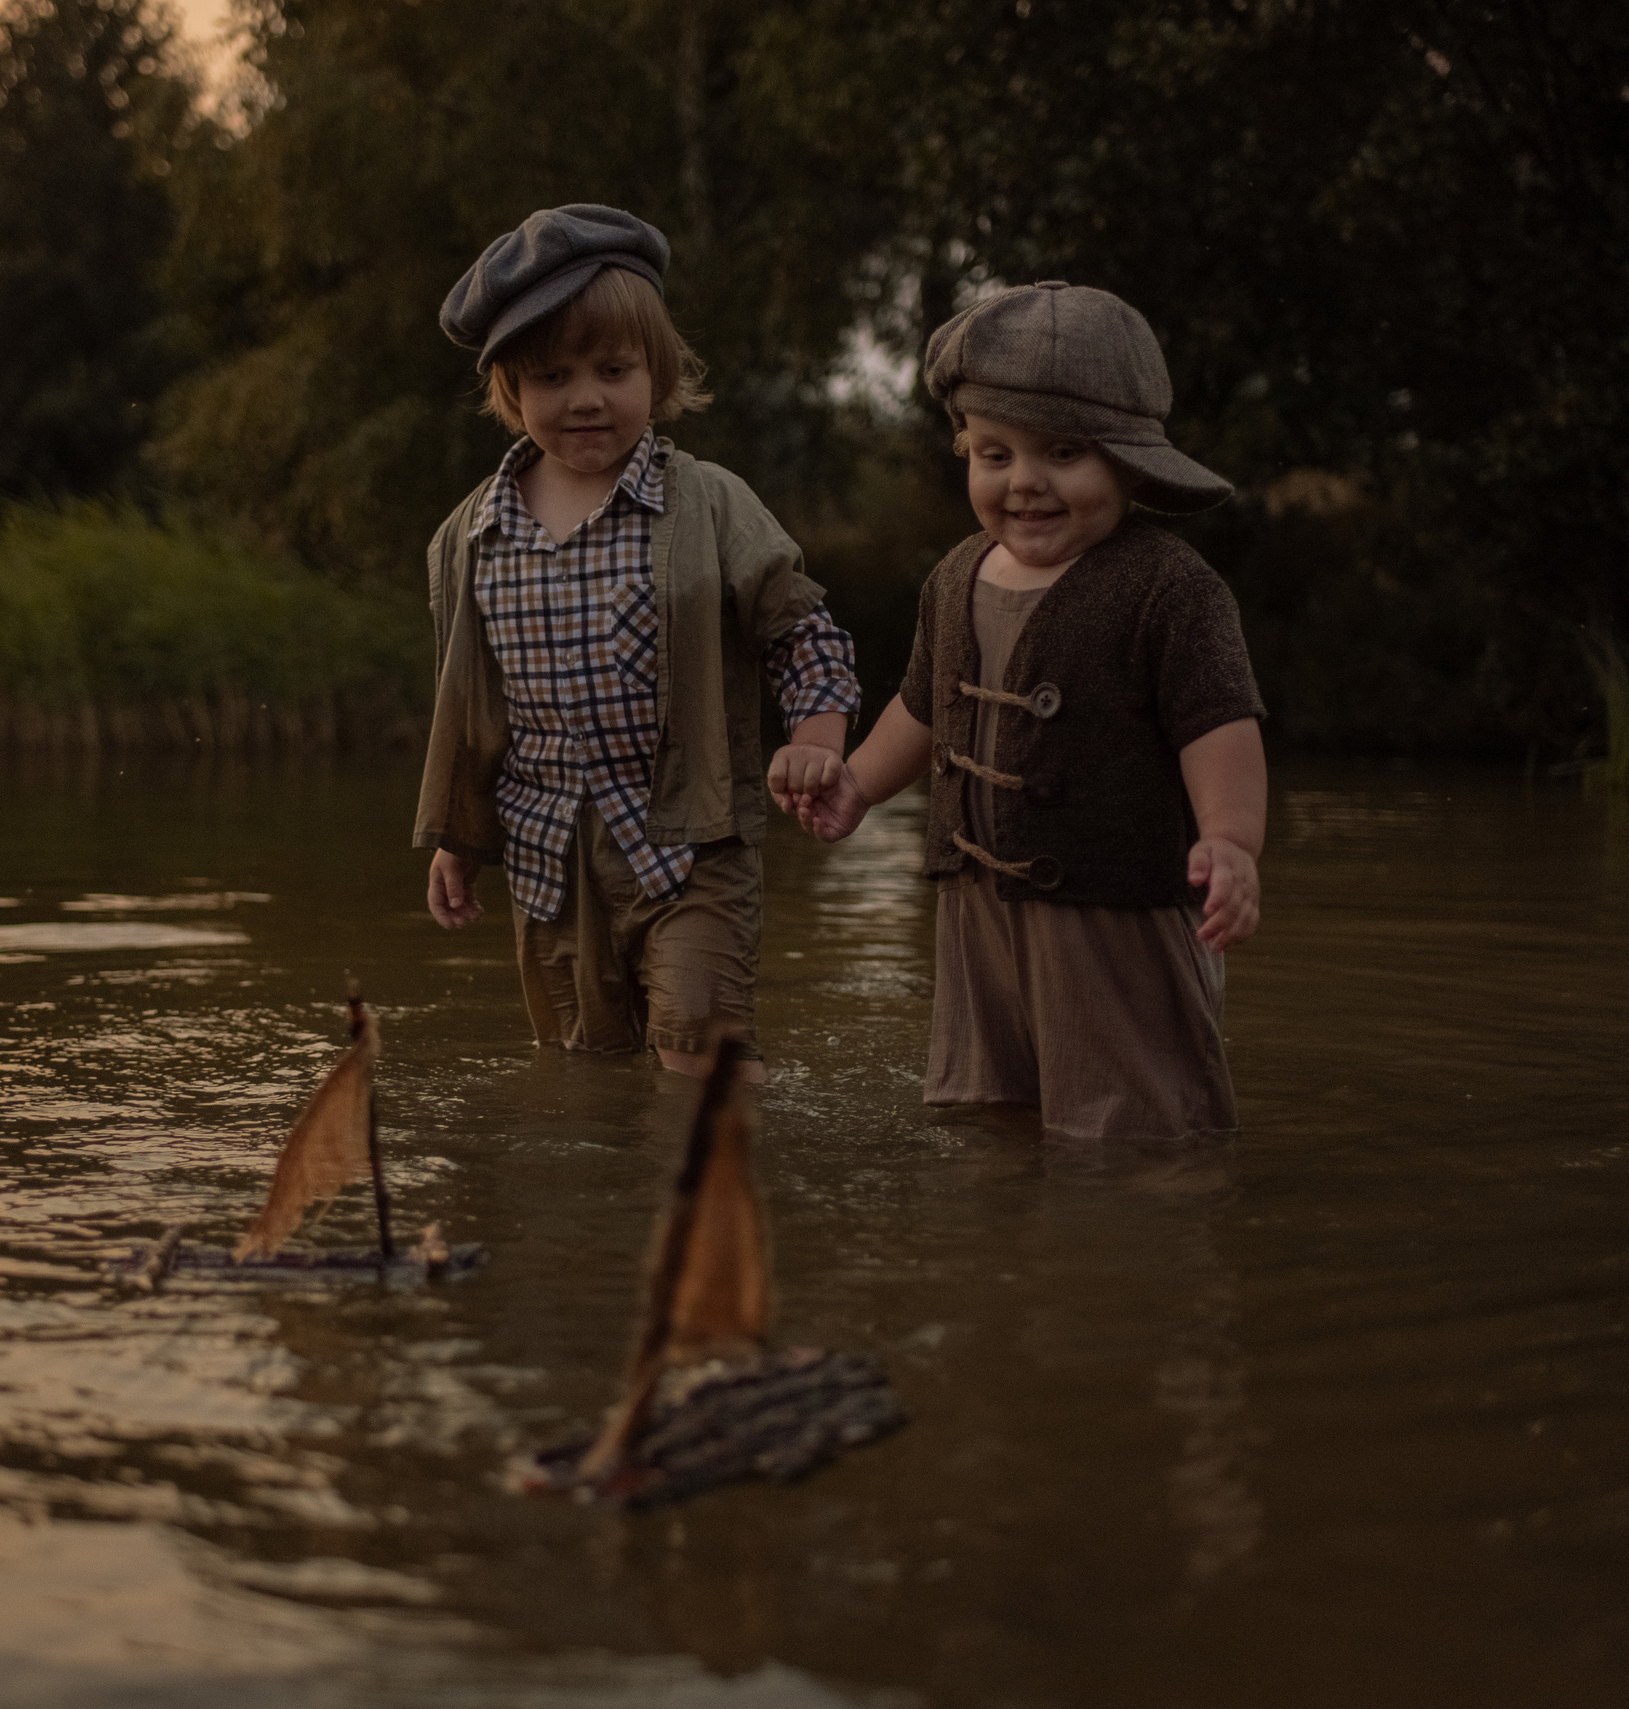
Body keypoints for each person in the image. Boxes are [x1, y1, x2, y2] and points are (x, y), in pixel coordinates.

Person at [786, 281, 1266, 1138]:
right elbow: (922, 706)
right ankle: (1006, 1250)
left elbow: (1218, 725)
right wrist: (859, 783)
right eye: (994, 454)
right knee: (988, 1112)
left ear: (1129, 458)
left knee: (1135, 1128)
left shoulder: (1169, 588)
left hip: (1116, 914)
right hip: (977, 909)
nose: (1025, 483)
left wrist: (1229, 841)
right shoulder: (957, 573)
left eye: (1064, 453)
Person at [413, 204, 860, 1081]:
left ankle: (725, 1202)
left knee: (702, 1046)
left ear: (655, 370)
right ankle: (614, 1215)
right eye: (552, 376)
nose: (585, 396)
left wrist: (817, 742)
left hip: (692, 842)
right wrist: (458, 838)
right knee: (585, 1073)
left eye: (613, 369)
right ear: (511, 391)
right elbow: (470, 708)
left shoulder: (710, 502)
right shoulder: (470, 535)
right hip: (550, 859)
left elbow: (801, 629)